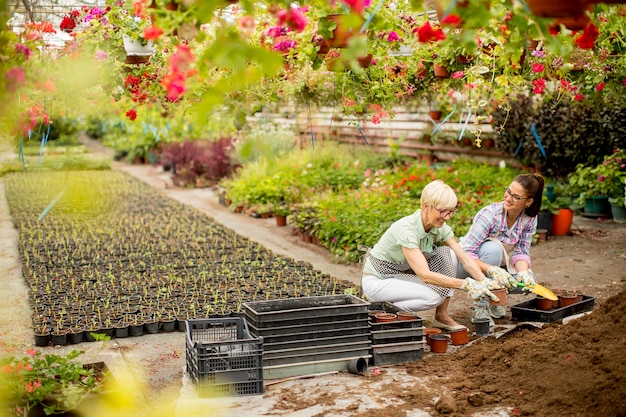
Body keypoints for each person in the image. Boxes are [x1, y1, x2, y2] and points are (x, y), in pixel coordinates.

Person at [360, 179, 502, 331]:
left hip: (400, 275)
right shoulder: (406, 229)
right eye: (443, 211)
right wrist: (466, 284)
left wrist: (485, 282)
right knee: (432, 297)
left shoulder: (439, 227)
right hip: (378, 280)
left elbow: (464, 258)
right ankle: (383, 314)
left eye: (451, 211)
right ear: (425, 206)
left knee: (449, 254)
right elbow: (425, 275)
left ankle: (442, 316)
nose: (447, 217)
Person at [456, 173, 545, 320]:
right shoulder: (490, 215)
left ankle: (495, 299)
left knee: (529, 281)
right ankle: (481, 307)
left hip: (493, 266)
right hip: (464, 266)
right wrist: (492, 270)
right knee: (494, 250)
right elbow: (467, 253)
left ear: (528, 202)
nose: (508, 198)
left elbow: (521, 251)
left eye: (516, 197)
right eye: (508, 191)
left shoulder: (528, 219)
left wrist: (523, 273)